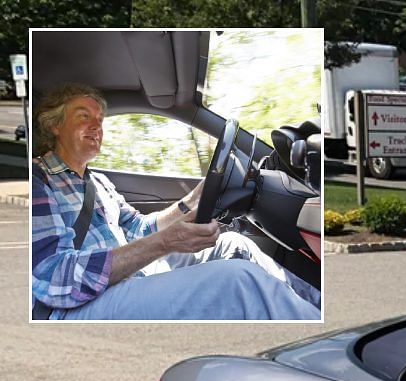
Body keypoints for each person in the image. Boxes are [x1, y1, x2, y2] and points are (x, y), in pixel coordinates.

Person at [29, 82, 321, 320]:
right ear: (55, 125)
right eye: (84, 116)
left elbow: (140, 229)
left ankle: (317, 308)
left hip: (124, 278)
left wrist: (194, 198)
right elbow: (55, 277)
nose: (96, 126)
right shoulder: (39, 181)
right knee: (237, 281)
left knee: (234, 245)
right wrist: (165, 243)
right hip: (75, 306)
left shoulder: (98, 182)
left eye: (100, 120)